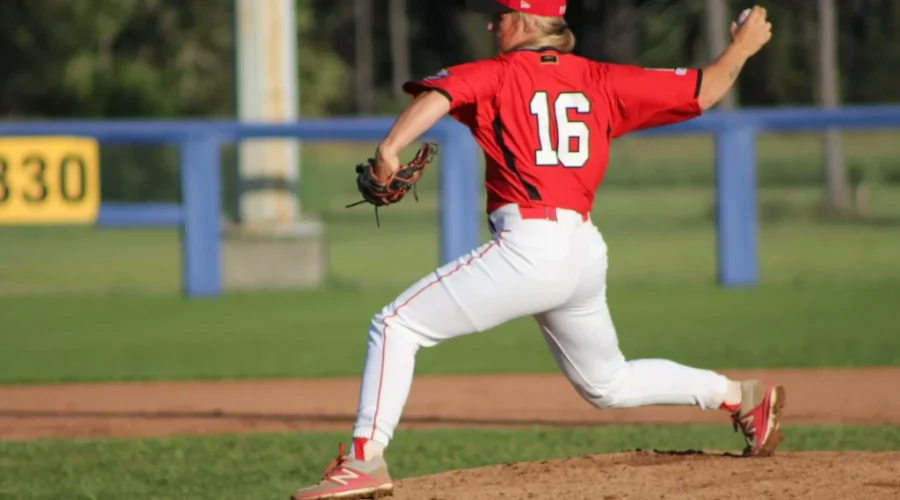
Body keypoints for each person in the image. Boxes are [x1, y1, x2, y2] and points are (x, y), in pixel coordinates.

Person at [291, 1, 777, 498]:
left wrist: (390, 148)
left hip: (532, 246)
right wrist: (741, 47)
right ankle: (740, 397)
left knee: (396, 325)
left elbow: (438, 95)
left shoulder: (497, 74)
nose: (490, 24)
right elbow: (706, 89)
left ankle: (364, 460)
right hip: (583, 249)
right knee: (606, 384)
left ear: (524, 22)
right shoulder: (602, 78)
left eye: (500, 15)